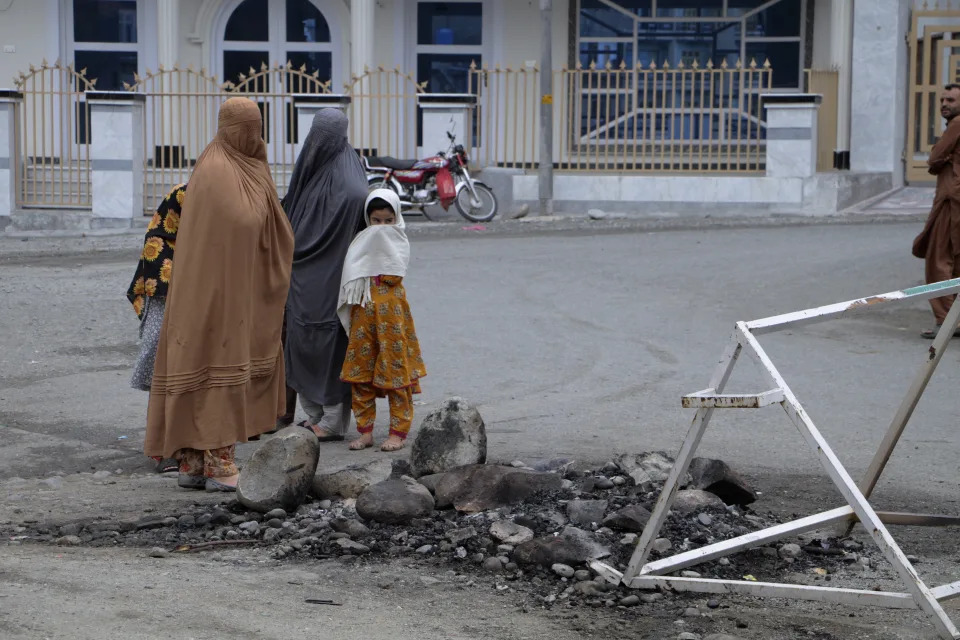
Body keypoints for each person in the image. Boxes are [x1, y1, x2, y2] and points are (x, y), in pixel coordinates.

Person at [144, 97, 294, 492]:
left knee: (216, 361)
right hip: (213, 292)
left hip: (233, 290)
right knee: (214, 363)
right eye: (246, 128)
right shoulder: (216, 169)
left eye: (256, 127)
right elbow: (241, 223)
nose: (252, 136)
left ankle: (197, 463)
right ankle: (213, 463)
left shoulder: (249, 166)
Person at [283, 108, 368, 441]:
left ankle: (333, 419)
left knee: (330, 343)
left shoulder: (349, 182)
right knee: (301, 341)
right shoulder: (314, 167)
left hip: (333, 275)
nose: (318, 143)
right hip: (302, 273)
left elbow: (359, 206)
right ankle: (315, 414)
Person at [338, 189, 426, 452]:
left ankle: (398, 432)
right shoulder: (360, 243)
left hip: (391, 320)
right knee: (361, 376)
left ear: (396, 218)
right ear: (368, 220)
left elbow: (394, 270)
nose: (382, 228)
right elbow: (350, 277)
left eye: (388, 221)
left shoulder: (399, 241)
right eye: (376, 221)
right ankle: (365, 431)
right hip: (364, 317)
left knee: (397, 375)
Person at [126, 183, 187, 475]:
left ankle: (185, 448)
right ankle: (164, 452)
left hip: (185, 335)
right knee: (166, 386)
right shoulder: (159, 246)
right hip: (167, 335)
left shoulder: (192, 245)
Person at [914, 83, 960, 338]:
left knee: (938, 260)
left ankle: (946, 319)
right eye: (943, 100)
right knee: (954, 260)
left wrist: (941, 156)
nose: (944, 104)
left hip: (951, 200)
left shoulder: (956, 125)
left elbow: (933, 161)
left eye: (951, 100)